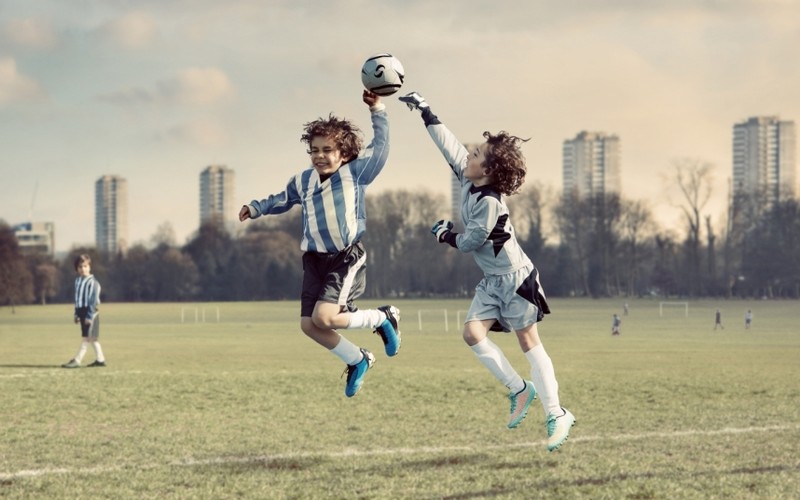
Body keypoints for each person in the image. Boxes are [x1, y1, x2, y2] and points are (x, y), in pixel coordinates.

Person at [399, 91, 575, 452]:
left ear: (489, 170)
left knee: (529, 342)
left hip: (517, 280)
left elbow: (470, 242)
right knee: (471, 333)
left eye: (476, 154)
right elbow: (448, 145)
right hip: (493, 282)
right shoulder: (469, 179)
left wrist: (444, 233)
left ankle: (557, 413)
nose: (469, 154)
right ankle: (519, 390)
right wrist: (425, 110)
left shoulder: (490, 203)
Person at [239, 90, 400, 398]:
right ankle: (357, 359)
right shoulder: (303, 181)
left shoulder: (356, 173)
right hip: (313, 260)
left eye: (328, 150)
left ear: (344, 153)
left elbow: (380, 150)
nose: (320, 156)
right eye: (315, 150)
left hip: (345, 257)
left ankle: (383, 317)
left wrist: (378, 109)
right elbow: (282, 200)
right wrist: (257, 208)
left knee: (325, 318)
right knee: (310, 325)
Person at [62, 254, 106, 368]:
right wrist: (76, 313)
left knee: (87, 338)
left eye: (85, 266)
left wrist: (89, 316)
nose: (83, 269)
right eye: (80, 267)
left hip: (90, 312)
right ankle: (100, 360)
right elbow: (77, 299)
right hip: (81, 311)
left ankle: (77, 360)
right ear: (77, 269)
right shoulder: (77, 282)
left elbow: (92, 300)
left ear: (90, 267)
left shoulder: (93, 283)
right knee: (92, 338)